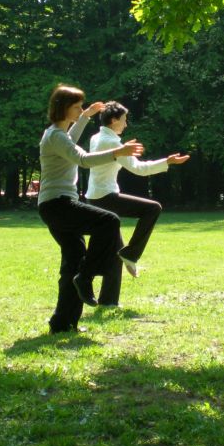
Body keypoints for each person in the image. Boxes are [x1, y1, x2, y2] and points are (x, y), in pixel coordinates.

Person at [37, 85, 144, 333]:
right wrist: (118, 151)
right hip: (58, 204)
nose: (81, 109)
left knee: (73, 260)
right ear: (64, 108)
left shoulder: (58, 135)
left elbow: (71, 140)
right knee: (108, 221)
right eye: (77, 107)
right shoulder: (55, 136)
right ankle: (85, 277)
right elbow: (83, 160)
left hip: (55, 205)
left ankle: (63, 323)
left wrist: (85, 117)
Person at [86, 101, 190, 278]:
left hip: (96, 196)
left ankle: (109, 298)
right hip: (105, 197)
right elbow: (139, 169)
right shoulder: (111, 143)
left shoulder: (97, 137)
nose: (126, 124)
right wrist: (168, 162)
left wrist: (124, 148)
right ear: (113, 120)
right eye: (124, 120)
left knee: (115, 250)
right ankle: (131, 254)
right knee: (152, 208)